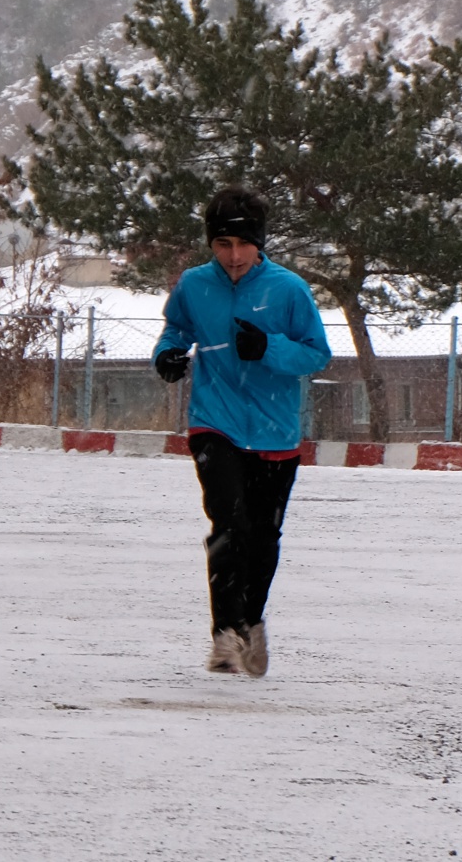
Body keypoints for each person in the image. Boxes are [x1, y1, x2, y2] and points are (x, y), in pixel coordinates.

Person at [152, 188, 331, 676]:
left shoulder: (289, 290)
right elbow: (175, 331)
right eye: (222, 244)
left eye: (242, 245)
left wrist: (268, 348)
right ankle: (225, 634)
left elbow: (317, 353)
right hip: (216, 423)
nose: (233, 256)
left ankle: (251, 621)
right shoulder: (193, 285)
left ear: (260, 244)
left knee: (262, 536)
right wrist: (166, 355)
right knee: (228, 525)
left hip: (275, 431)